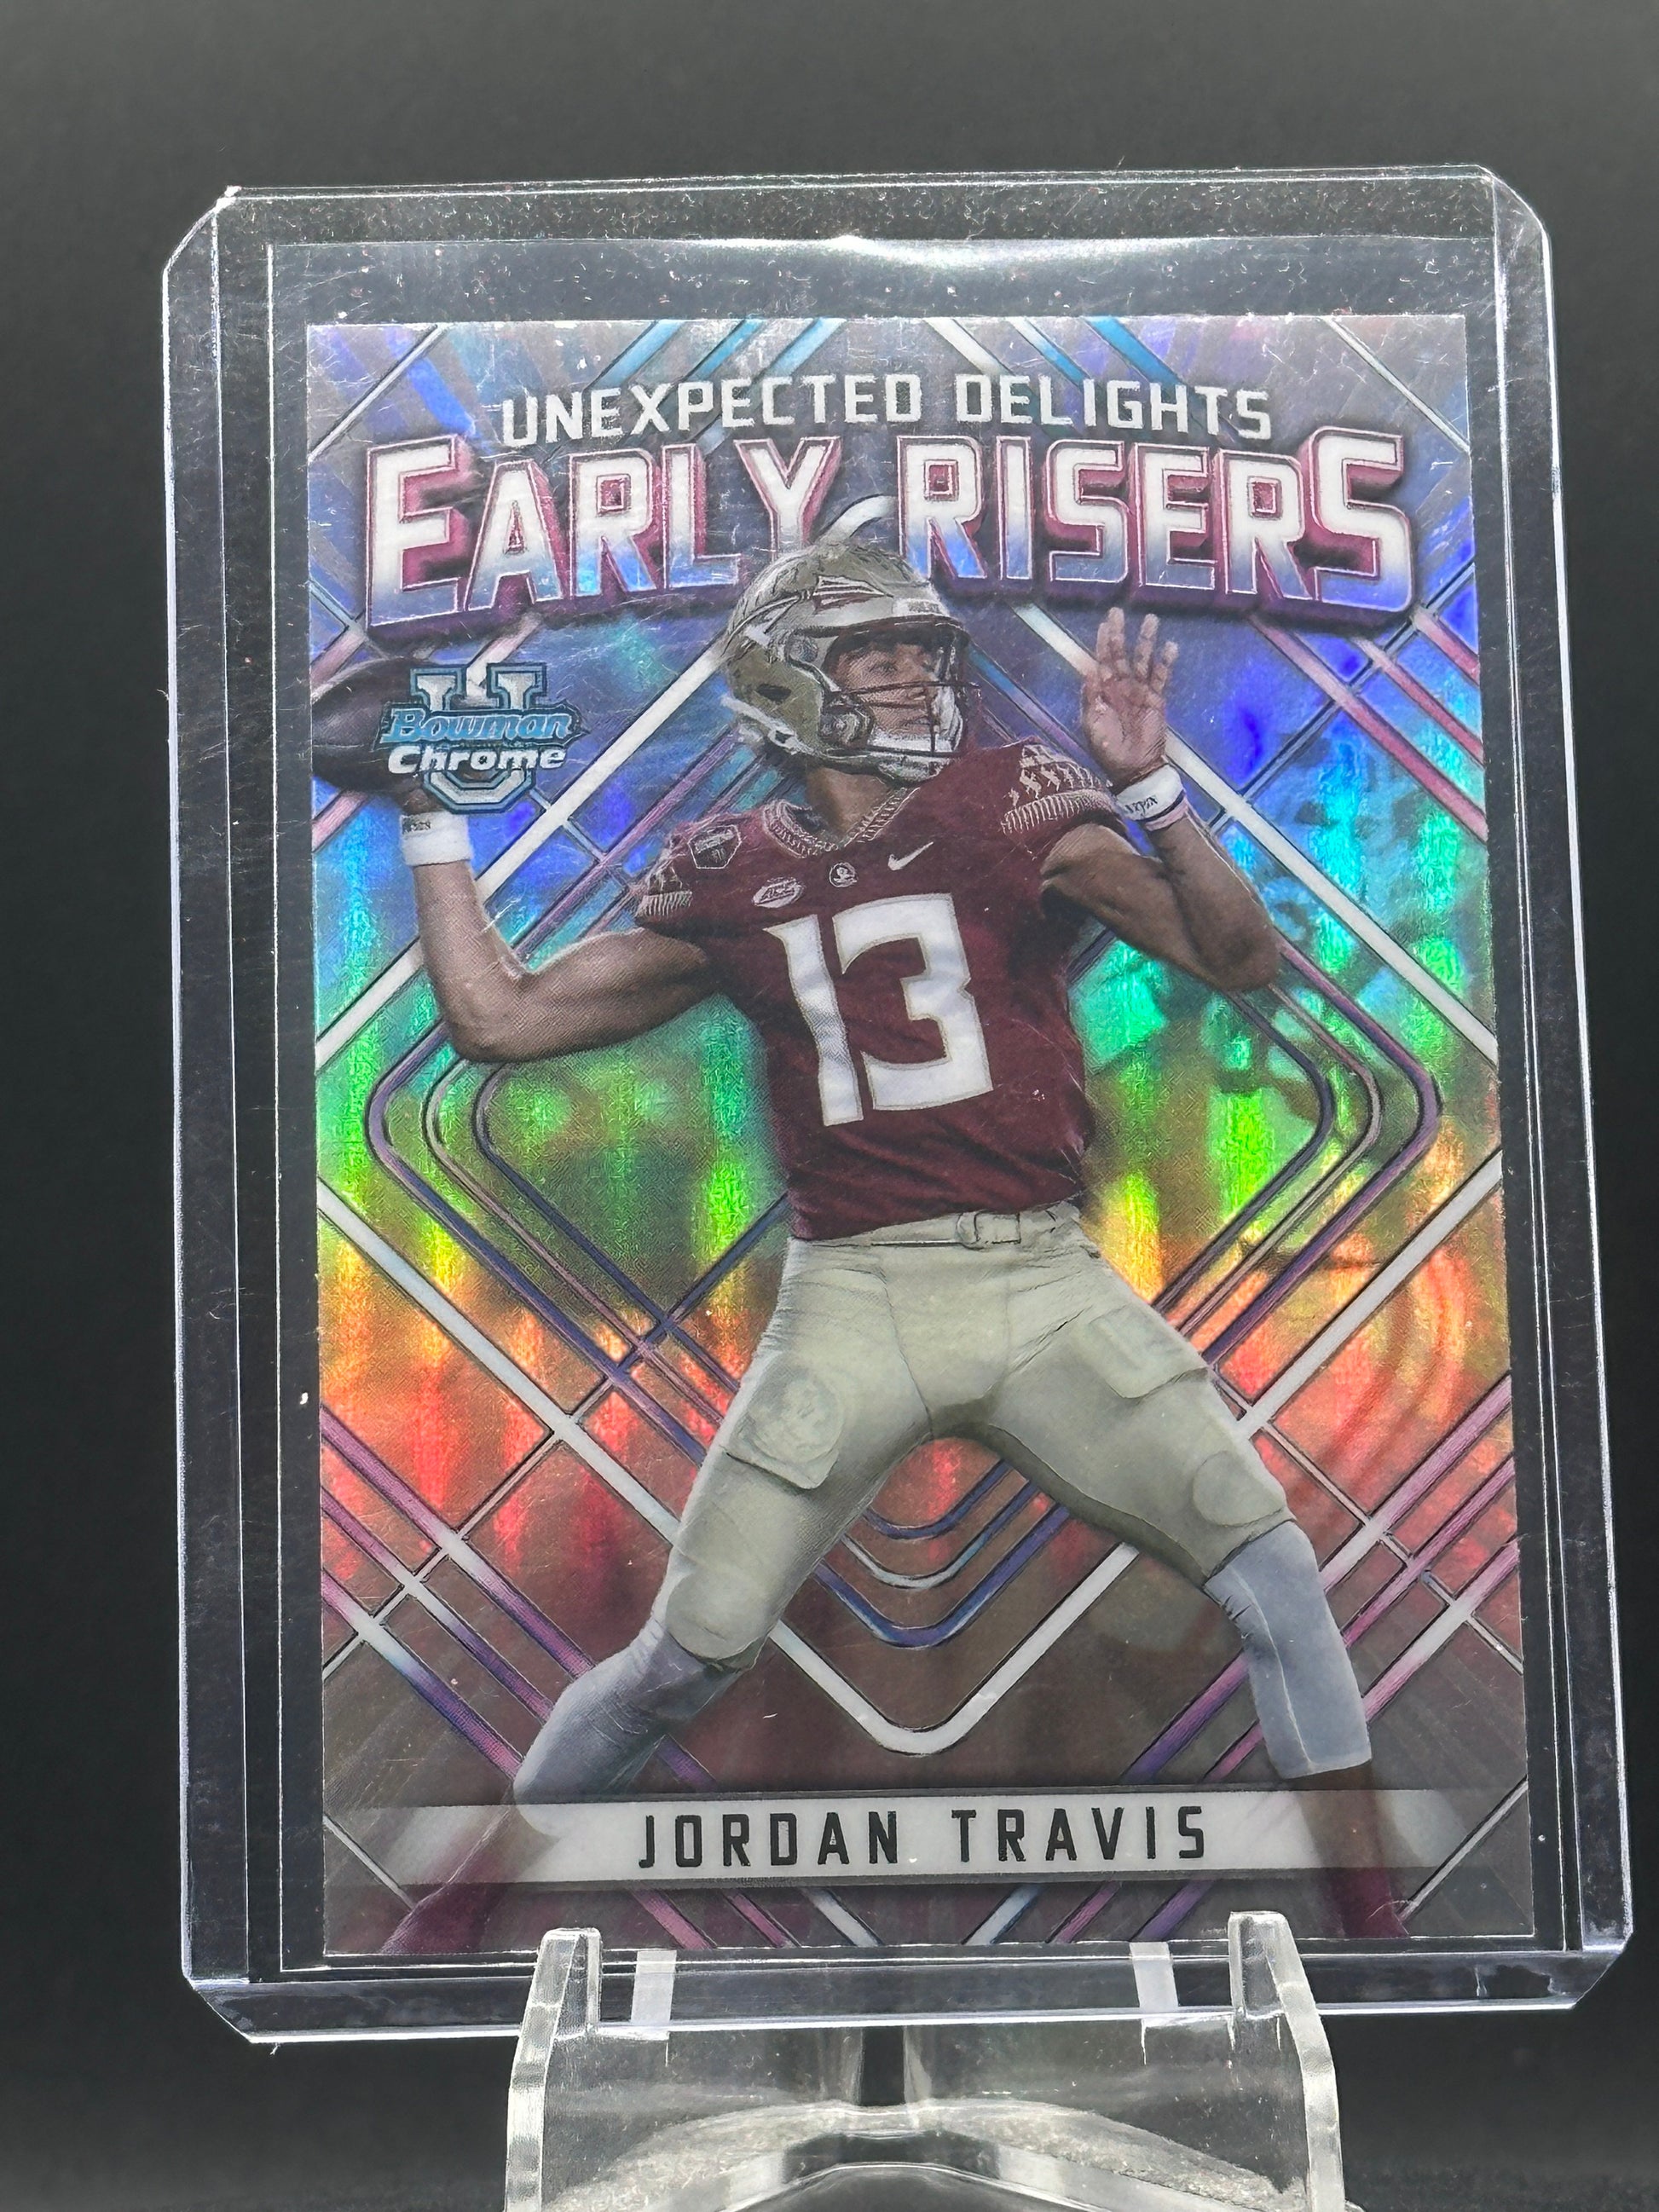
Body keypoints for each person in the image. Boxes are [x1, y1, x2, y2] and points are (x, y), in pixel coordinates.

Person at [362, 538, 1402, 1943]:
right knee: (688, 1652)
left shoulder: (1010, 801)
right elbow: (498, 1019)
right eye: (874, 650)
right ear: (787, 683)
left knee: (1269, 1570)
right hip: (852, 1295)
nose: (915, 672)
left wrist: (1153, 790)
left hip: (1038, 1279)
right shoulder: (728, 872)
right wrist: (432, 820)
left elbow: (1237, 957)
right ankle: (452, 1913)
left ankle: (1377, 1932)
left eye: (923, 646)